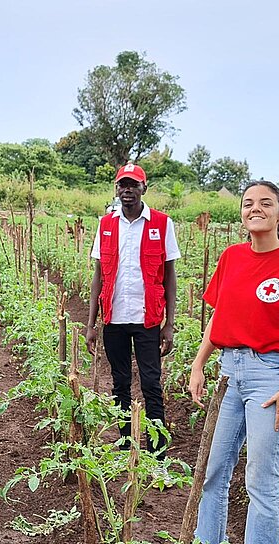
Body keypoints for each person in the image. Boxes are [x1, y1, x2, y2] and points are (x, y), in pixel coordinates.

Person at [161, 181, 279, 544]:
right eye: (249, 204)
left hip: (272, 377)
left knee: (260, 477)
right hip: (230, 370)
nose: (256, 209)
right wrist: (198, 363)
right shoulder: (231, 257)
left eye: (266, 204)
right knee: (213, 468)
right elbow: (219, 317)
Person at [86, 163, 180, 458]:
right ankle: (126, 443)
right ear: (117, 189)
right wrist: (91, 324)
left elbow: (170, 276)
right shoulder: (106, 225)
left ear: (144, 188)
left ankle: (157, 452)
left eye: (133, 185)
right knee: (120, 382)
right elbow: (98, 276)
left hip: (148, 318)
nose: (127, 190)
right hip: (114, 317)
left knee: (151, 383)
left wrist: (170, 324)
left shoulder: (162, 223)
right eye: (122, 185)